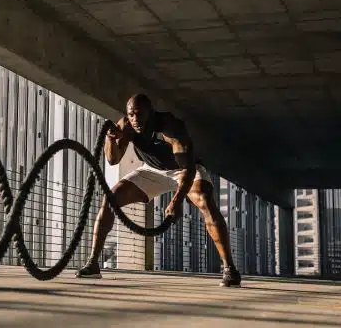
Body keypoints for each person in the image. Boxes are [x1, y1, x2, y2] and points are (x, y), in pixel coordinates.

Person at [75, 93, 241, 287]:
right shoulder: (127, 125)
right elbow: (113, 160)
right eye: (131, 114)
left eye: (139, 114)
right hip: (152, 170)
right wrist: (111, 140)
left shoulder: (171, 127)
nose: (135, 119)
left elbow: (188, 169)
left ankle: (230, 269)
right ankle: (93, 264)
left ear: (151, 113)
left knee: (205, 199)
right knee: (111, 198)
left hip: (183, 170)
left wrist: (177, 200)